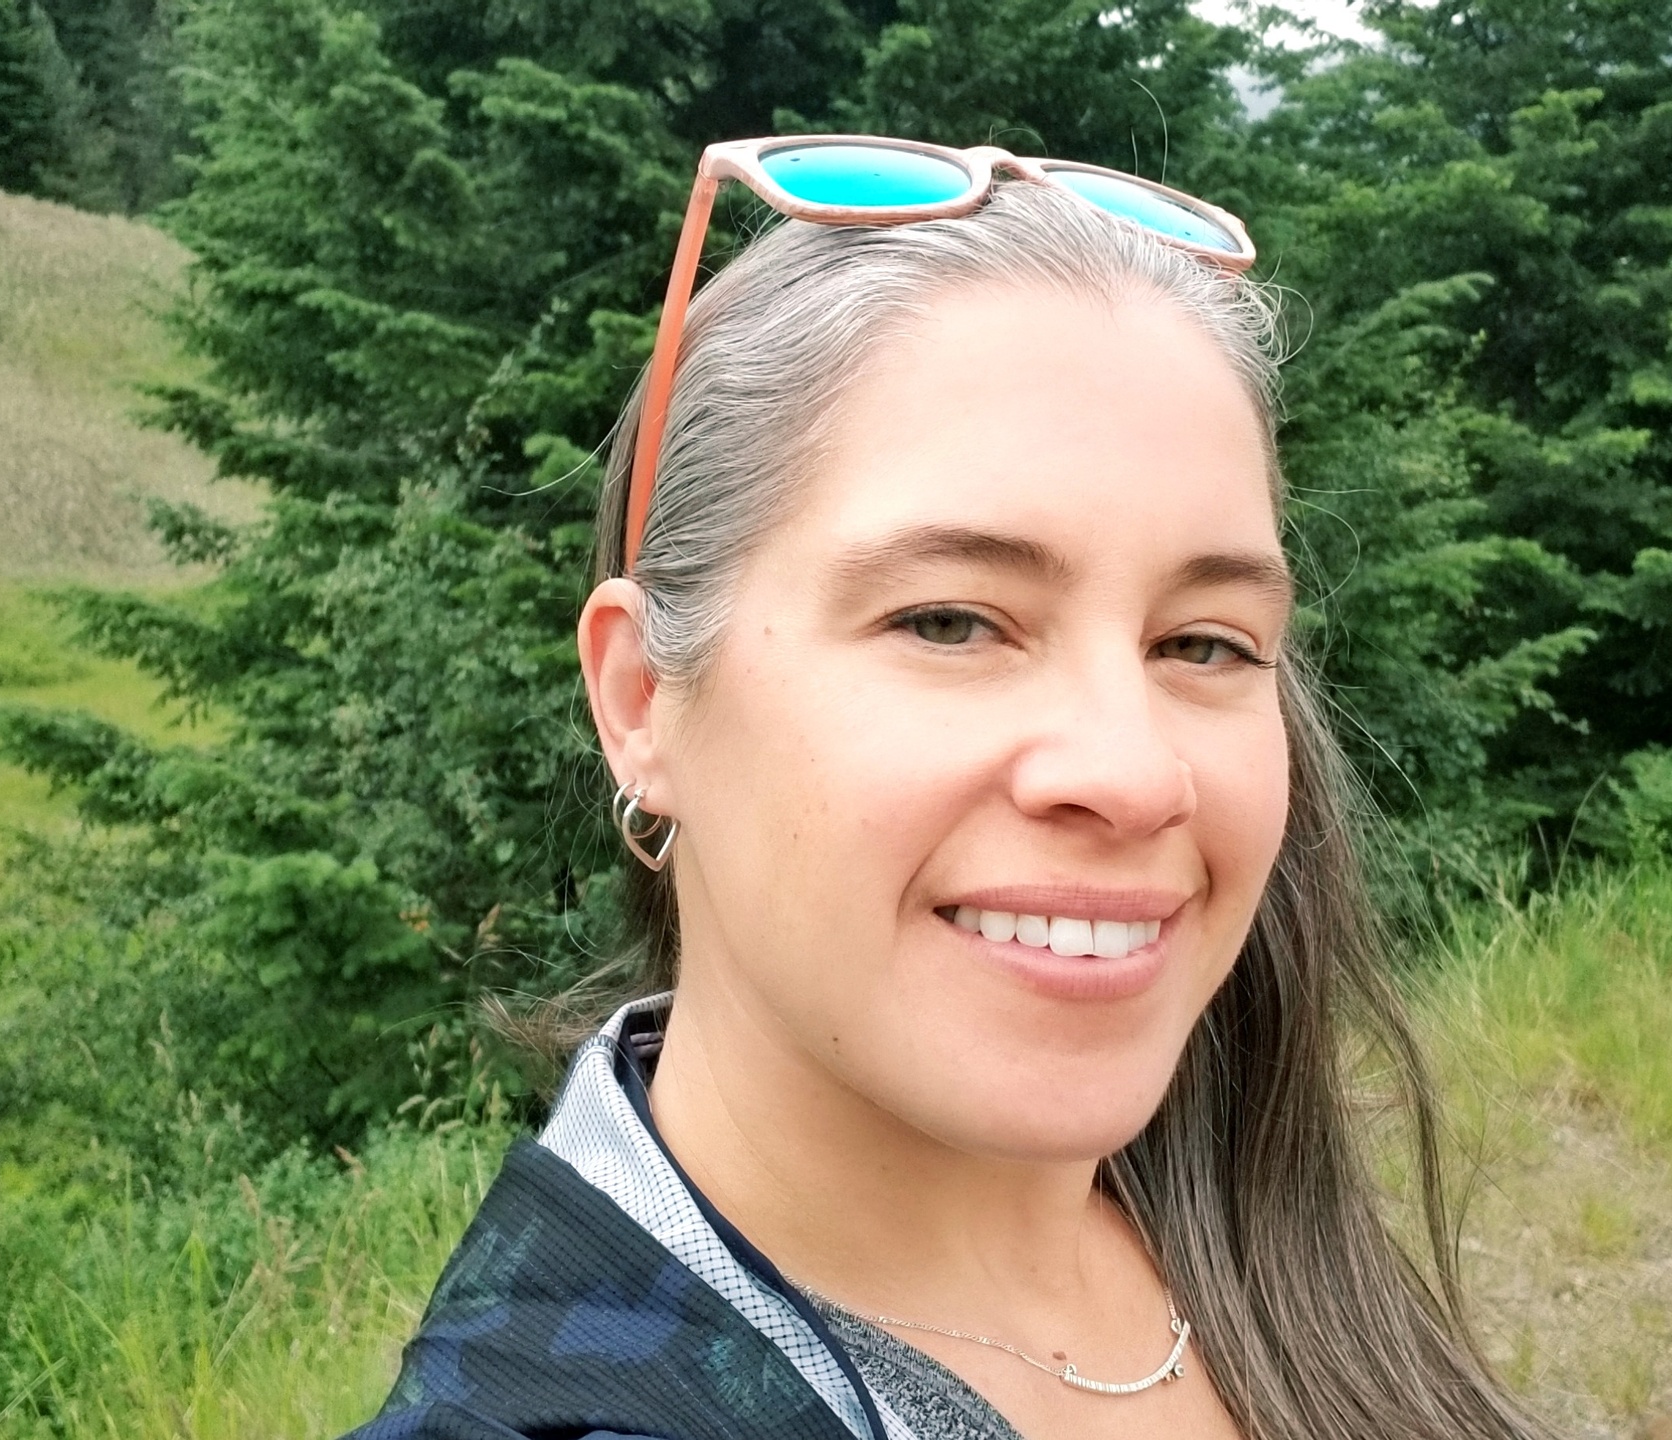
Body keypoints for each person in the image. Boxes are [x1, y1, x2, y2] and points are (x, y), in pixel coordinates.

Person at [346, 137, 1552, 1440]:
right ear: (644, 699)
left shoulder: (1241, 1200)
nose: (1131, 775)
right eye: (950, 622)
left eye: (1203, 644)